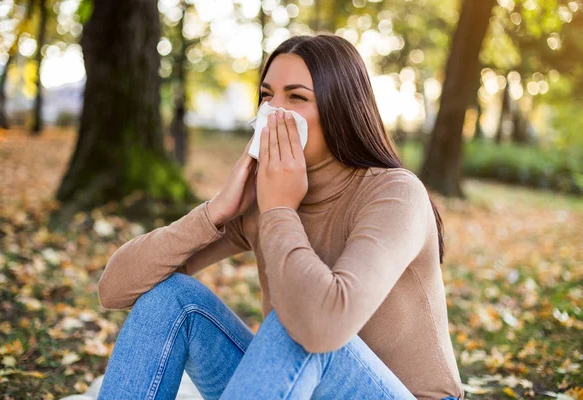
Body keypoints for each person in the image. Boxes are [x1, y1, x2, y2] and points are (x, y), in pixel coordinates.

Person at [96, 33, 464, 400]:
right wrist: (215, 212)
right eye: (267, 95)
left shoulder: (395, 193)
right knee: (172, 298)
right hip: (304, 386)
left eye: (297, 97)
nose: (273, 111)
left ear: (341, 110)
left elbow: (321, 327)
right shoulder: (260, 200)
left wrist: (279, 210)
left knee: (296, 322)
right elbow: (114, 289)